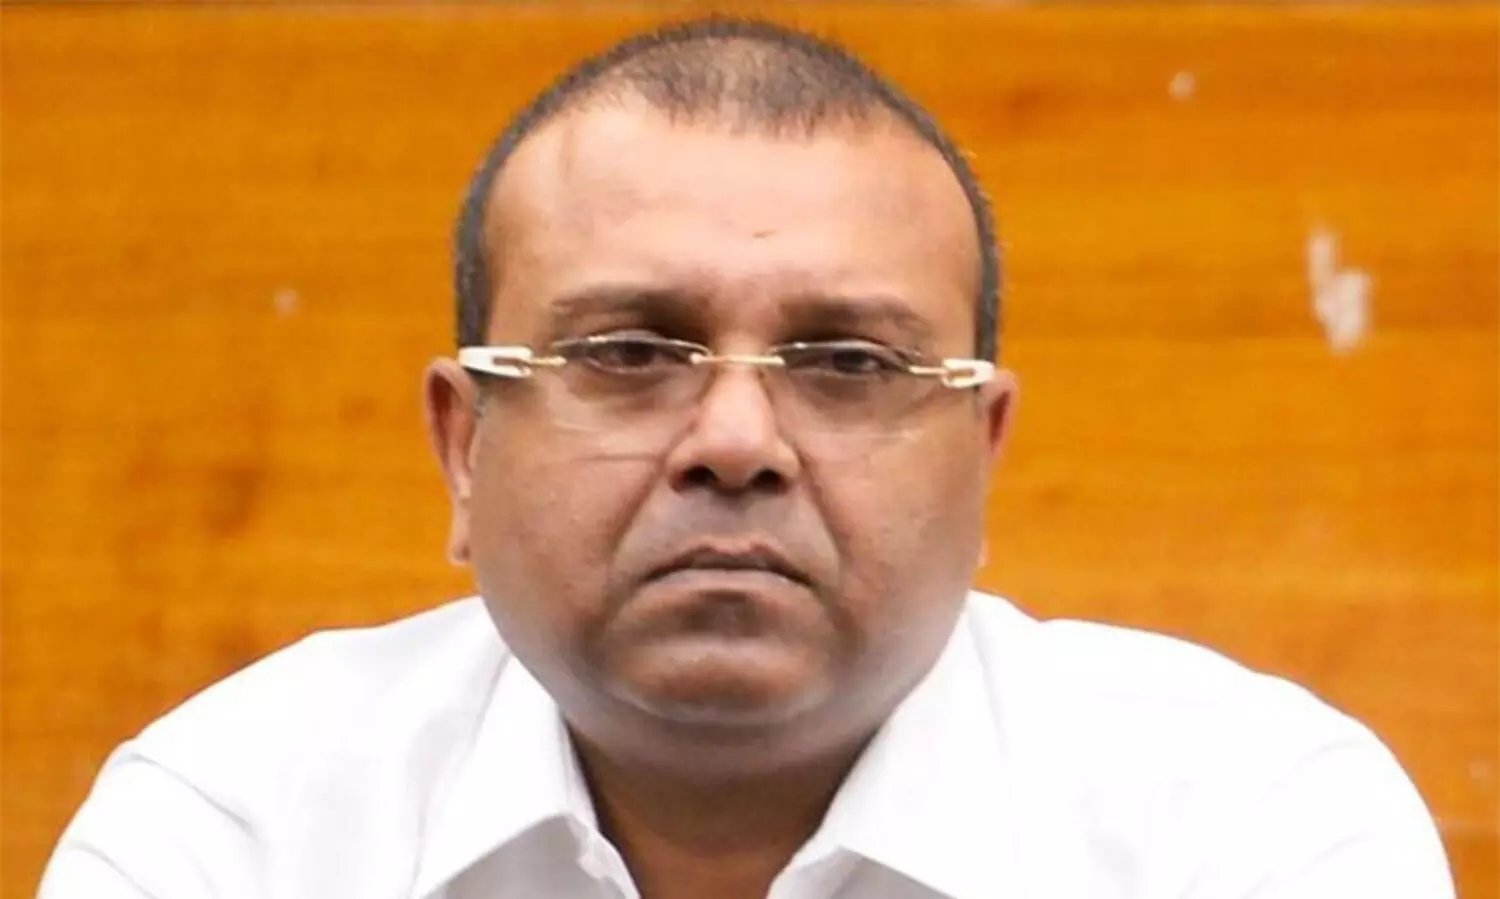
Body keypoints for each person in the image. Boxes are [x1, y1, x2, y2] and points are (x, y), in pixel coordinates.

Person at [39, 17, 1454, 899]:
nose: (733, 441)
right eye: (628, 352)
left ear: (980, 452)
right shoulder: (244, 829)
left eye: (850, 365)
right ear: (465, 446)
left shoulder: (1248, 828)